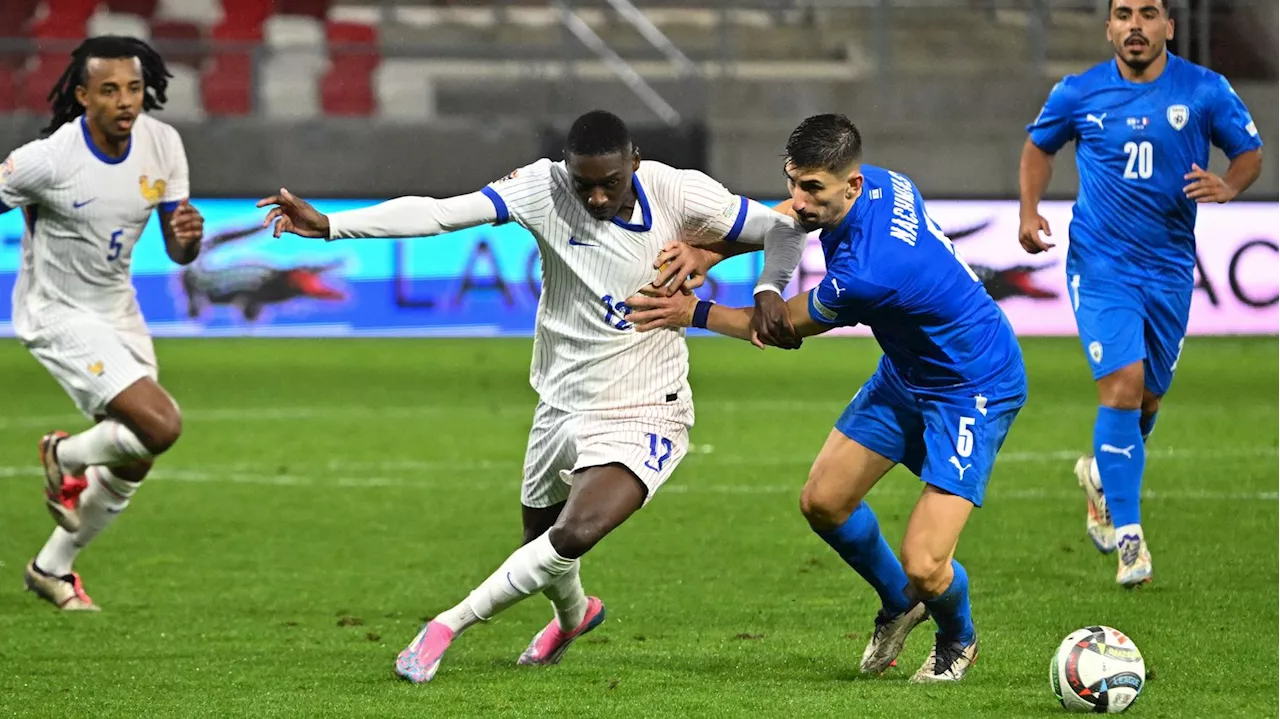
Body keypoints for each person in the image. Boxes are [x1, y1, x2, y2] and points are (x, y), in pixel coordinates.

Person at [257, 109, 808, 683]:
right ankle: (575, 616)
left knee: (571, 534)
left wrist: (765, 285)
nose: (595, 197)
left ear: (634, 163)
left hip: (648, 403)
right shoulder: (541, 188)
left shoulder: (680, 190)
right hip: (560, 401)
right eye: (584, 183)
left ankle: (446, 626)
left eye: (610, 183)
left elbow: (783, 227)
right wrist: (328, 226)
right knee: (540, 548)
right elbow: (442, 213)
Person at [627, 114, 1027, 682]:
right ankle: (898, 603)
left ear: (850, 185)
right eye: (794, 180)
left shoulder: (869, 272)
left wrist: (691, 312)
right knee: (824, 501)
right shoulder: (882, 182)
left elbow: (779, 327)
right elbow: (789, 218)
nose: (799, 198)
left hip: (973, 386)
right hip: (908, 374)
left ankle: (957, 638)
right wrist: (710, 254)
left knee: (926, 560)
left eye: (812, 187)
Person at [1019, 0, 1263, 586]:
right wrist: (1028, 211)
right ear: (1108, 27)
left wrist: (1229, 184)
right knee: (1123, 389)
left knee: (1147, 402)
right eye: (1123, 13)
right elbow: (1038, 148)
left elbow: (1249, 152)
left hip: (1171, 269)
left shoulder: (1204, 90)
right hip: (1101, 265)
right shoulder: (1078, 93)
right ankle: (1130, 539)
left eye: (1148, 13)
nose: (1135, 24)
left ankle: (1102, 476)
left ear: (1168, 27)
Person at [0, 36, 204, 611]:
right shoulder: (49, 159)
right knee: (161, 424)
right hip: (57, 312)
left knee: (136, 452)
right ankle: (62, 456)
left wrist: (189, 240)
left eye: (134, 88)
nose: (125, 101)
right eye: (110, 89)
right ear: (83, 94)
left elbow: (177, 247)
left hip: (119, 308)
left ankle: (51, 569)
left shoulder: (163, 144)